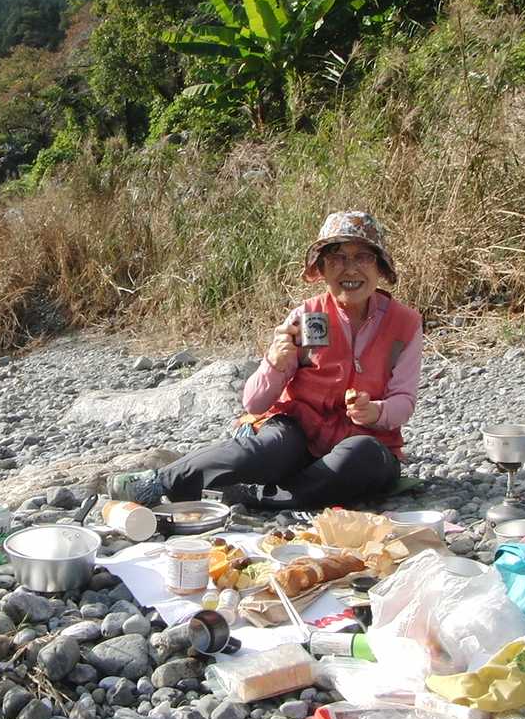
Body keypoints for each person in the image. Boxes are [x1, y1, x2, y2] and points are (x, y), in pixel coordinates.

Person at [108, 211, 422, 511]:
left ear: (379, 267)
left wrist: (374, 412)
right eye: (337, 258)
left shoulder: (405, 324)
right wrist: (274, 362)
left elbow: (403, 401)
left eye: (363, 257)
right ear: (322, 270)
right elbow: (255, 403)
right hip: (299, 431)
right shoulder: (305, 317)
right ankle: (158, 483)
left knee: (361, 456)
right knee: (269, 449)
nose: (350, 270)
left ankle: (258, 496)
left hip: (364, 440)